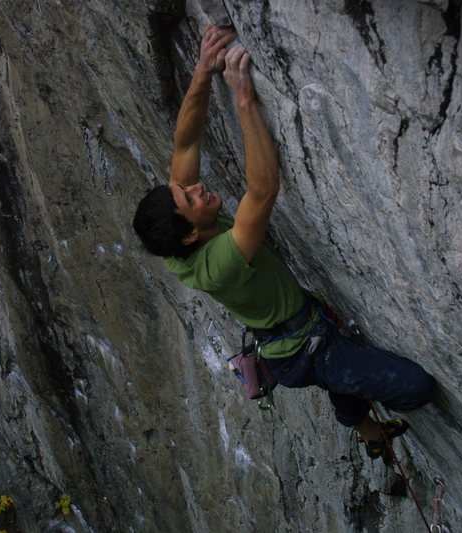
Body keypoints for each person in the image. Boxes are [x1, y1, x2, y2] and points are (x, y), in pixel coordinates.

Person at [133, 25, 436, 459]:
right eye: (191, 198)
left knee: (341, 367)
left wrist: (202, 73)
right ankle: (357, 401)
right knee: (414, 386)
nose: (198, 189)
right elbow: (263, 190)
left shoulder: (178, 235)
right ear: (194, 234)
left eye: (188, 189)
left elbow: (186, 141)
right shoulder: (219, 263)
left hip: (292, 338)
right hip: (303, 353)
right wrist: (244, 100)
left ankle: (367, 430)